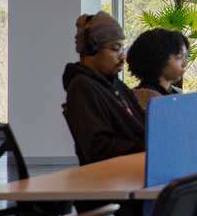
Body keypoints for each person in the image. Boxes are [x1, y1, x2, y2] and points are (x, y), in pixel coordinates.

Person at [62, 11, 146, 164]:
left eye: (122, 49)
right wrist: (146, 146)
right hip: (113, 175)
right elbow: (99, 148)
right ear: (92, 50)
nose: (122, 57)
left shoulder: (116, 85)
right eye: (115, 49)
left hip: (133, 166)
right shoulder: (82, 87)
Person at [126, 28, 189, 110]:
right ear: (159, 59)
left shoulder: (175, 93)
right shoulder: (143, 100)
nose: (185, 64)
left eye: (185, 57)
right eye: (179, 57)